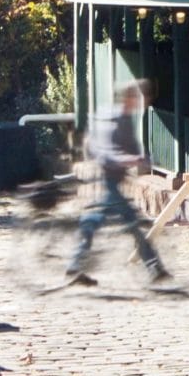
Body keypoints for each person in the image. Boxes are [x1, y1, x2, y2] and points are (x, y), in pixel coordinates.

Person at [64, 80, 169, 286]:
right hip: (108, 179)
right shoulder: (113, 119)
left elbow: (125, 146)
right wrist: (129, 160)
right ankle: (154, 268)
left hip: (111, 178)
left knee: (118, 223)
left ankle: (154, 268)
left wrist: (139, 157)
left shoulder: (118, 116)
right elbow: (106, 151)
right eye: (136, 97)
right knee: (126, 223)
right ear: (128, 98)